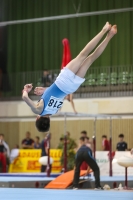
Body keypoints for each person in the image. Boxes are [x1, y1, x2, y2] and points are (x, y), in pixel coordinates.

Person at [22, 22, 117, 132]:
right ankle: (104, 30)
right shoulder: (38, 110)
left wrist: (45, 90)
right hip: (63, 81)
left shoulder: (55, 111)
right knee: (83, 55)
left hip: (71, 88)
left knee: (91, 59)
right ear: (37, 118)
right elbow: (25, 97)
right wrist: (26, 90)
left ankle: (110, 35)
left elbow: (57, 93)